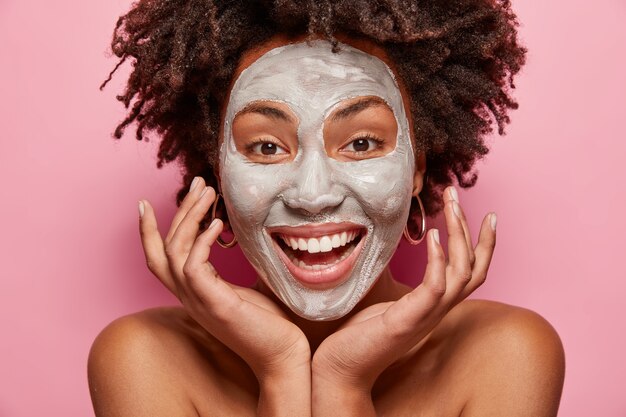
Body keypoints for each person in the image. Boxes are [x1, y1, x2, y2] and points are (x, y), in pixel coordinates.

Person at [88, 1, 565, 415]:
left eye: (360, 142)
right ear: (218, 178)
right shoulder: (141, 358)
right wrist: (281, 369)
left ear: (416, 168)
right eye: (266, 148)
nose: (312, 196)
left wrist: (343, 381)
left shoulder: (507, 353)